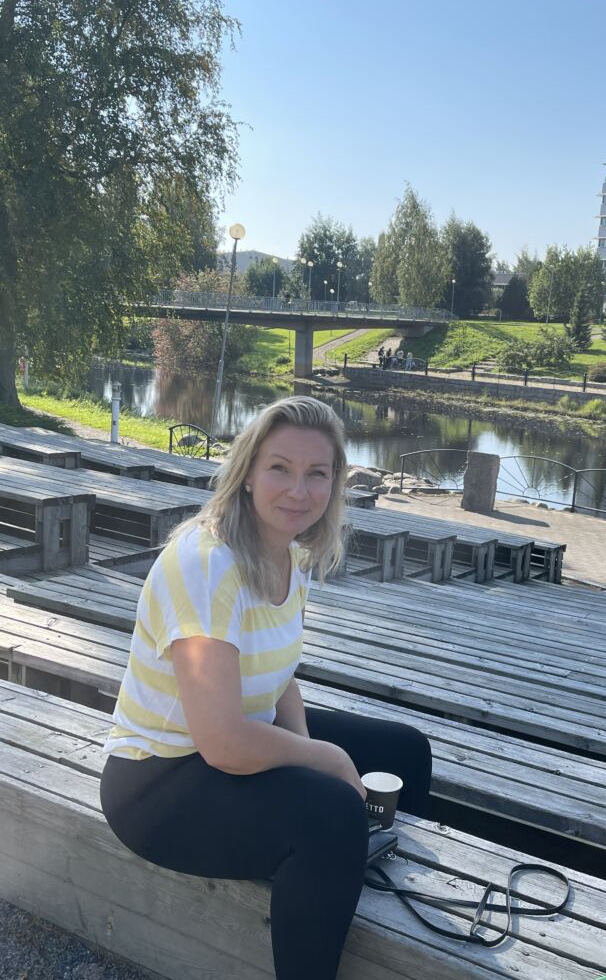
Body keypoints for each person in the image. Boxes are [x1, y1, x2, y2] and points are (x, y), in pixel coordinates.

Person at [100, 397, 432, 980]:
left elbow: (280, 679)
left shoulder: (289, 555)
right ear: (248, 472)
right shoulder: (206, 564)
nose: (298, 491)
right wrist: (321, 760)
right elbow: (224, 743)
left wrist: (303, 746)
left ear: (335, 482)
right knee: (330, 814)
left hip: (232, 748)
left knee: (406, 750)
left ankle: (372, 870)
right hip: (159, 782)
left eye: (317, 473)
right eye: (280, 468)